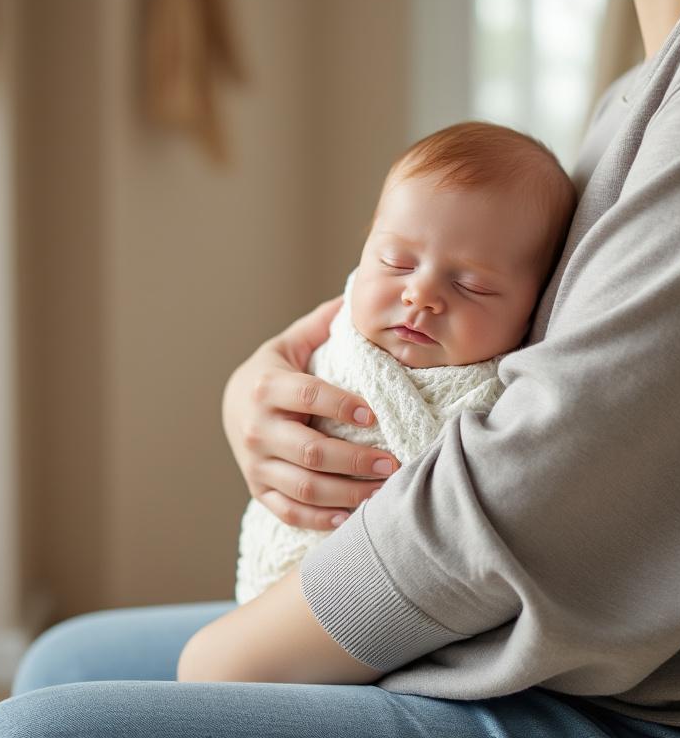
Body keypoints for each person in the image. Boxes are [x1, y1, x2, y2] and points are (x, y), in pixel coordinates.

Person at [0, 0, 680, 735]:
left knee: (34, 730)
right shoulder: (648, 89)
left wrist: (228, 661)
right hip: (598, 646)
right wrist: (265, 388)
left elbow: (553, 487)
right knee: (61, 661)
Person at [237, 121, 575, 604]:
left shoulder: (508, 400)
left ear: (534, 308)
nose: (421, 295)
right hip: (278, 578)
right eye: (396, 261)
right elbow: (268, 385)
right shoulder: (338, 327)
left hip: (390, 603)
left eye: (472, 286)